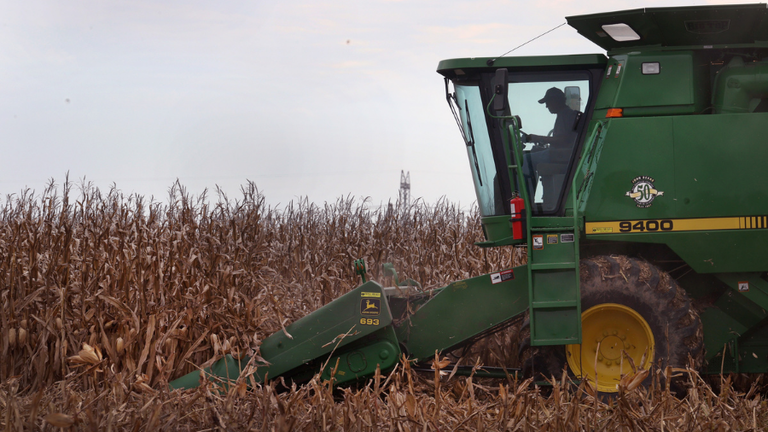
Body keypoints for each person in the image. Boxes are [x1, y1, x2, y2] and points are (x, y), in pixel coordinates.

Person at [522, 87, 580, 208]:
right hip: (562, 153)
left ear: (555, 101)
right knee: (532, 153)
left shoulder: (566, 115)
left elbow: (562, 140)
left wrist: (537, 138)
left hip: (564, 155)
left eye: (547, 103)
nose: (546, 106)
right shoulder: (565, 115)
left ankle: (525, 203)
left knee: (525, 161)